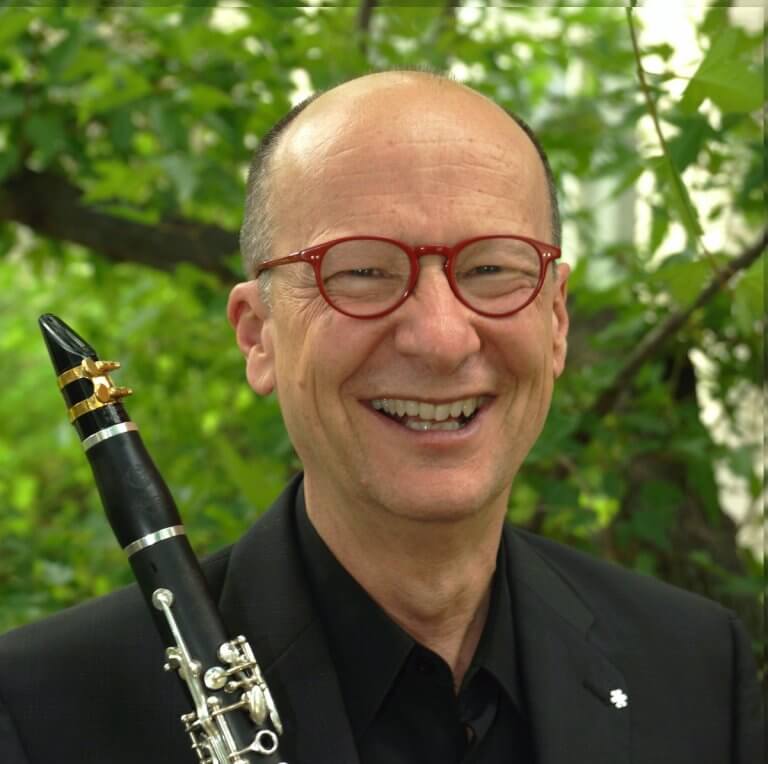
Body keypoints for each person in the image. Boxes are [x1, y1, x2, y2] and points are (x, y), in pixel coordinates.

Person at [0, 71, 762, 764]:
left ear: (556, 321)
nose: (441, 338)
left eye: (491, 269)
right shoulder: (42, 713)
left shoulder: (696, 669)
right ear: (258, 336)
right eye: (361, 272)